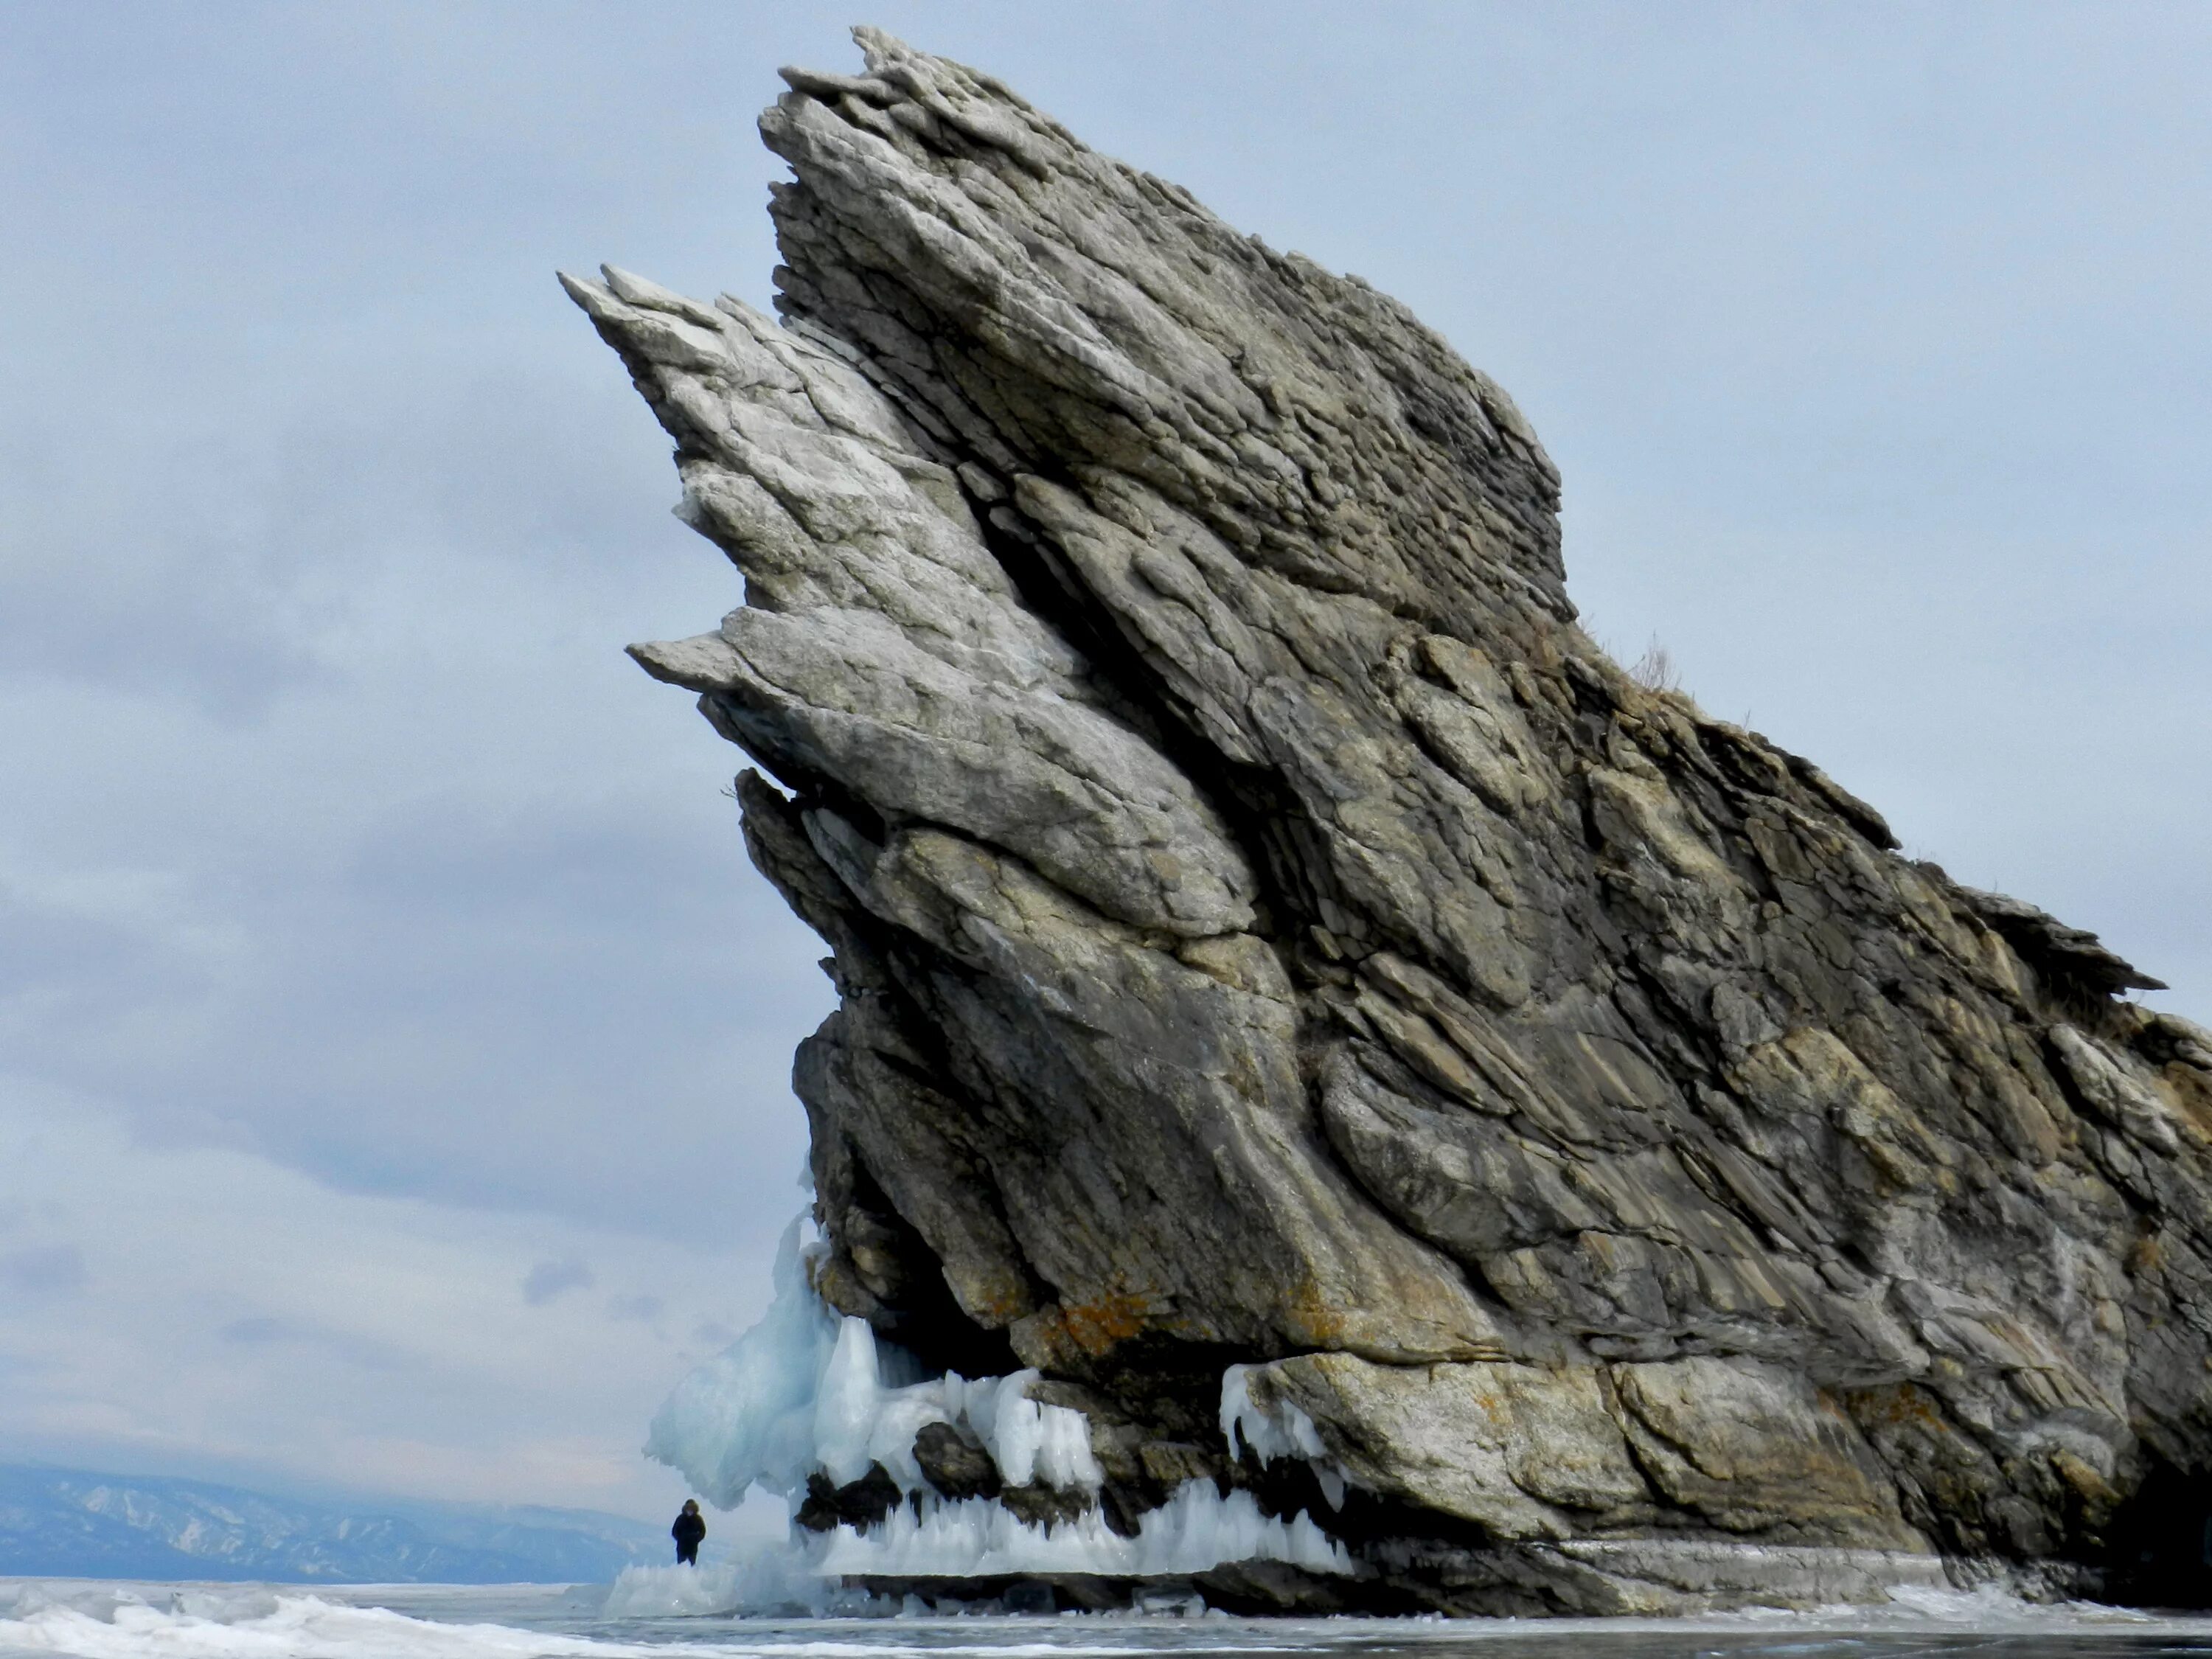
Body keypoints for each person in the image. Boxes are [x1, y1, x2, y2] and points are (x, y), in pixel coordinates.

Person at [671, 1498, 706, 1565]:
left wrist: (696, 1539)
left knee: (691, 1564)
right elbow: (674, 1531)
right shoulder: (680, 1518)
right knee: (681, 1564)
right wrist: (681, 1538)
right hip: (682, 1546)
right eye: (688, 1508)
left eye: (692, 1508)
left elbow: (703, 1531)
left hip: (693, 1546)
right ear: (685, 1509)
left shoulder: (698, 1519)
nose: (690, 1510)